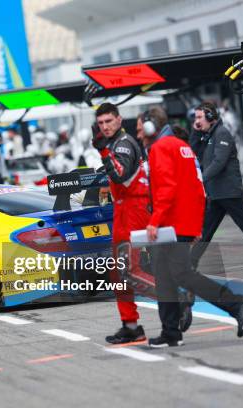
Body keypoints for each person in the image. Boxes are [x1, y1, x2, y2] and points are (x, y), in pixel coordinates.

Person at [143, 105, 243, 347]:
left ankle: (234, 303)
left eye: (141, 129)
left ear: (151, 127)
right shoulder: (185, 145)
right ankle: (171, 331)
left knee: (180, 273)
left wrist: (155, 221)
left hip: (197, 209)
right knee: (168, 275)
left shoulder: (163, 147)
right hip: (190, 215)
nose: (139, 134)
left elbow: (168, 188)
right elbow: (195, 179)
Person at [92, 103, 151, 344]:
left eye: (109, 121)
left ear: (118, 119)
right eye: (101, 123)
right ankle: (131, 326)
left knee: (129, 271)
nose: (105, 126)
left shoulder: (124, 143)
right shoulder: (115, 143)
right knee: (118, 273)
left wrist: (104, 153)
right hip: (122, 210)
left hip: (135, 210)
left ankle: (178, 299)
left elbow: (120, 174)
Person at [189, 102, 243, 268]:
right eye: (195, 117)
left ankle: (191, 261)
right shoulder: (209, 135)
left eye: (199, 117)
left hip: (228, 191)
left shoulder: (222, 133)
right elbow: (193, 151)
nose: (196, 121)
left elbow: (219, 162)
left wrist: (201, 178)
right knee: (206, 229)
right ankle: (191, 262)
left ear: (210, 117)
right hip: (217, 192)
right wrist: (195, 131)